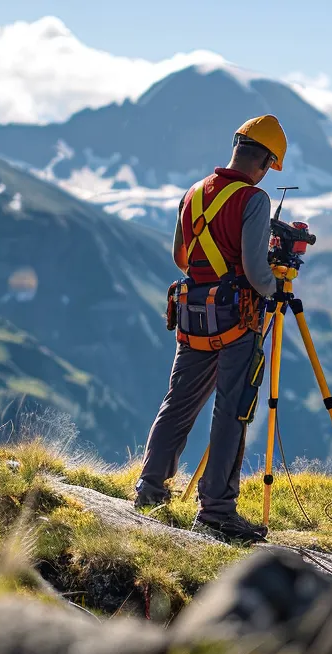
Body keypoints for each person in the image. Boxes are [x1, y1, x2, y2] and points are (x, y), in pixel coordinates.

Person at [133, 114, 289, 542]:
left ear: (236, 147)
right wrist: (274, 287)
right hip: (237, 319)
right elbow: (258, 273)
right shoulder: (253, 200)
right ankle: (217, 509)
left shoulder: (193, 193)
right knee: (231, 412)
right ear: (265, 161)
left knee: (178, 403)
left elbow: (181, 259)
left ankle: (150, 489)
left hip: (194, 316)